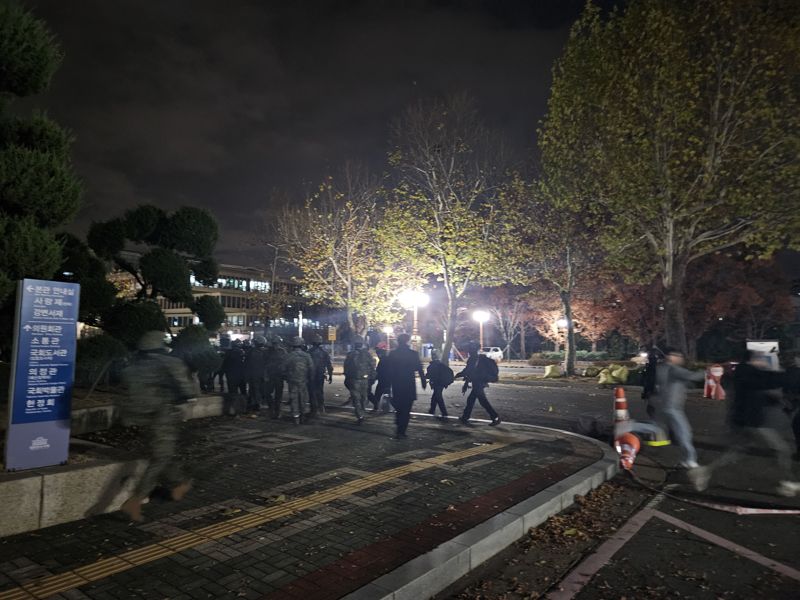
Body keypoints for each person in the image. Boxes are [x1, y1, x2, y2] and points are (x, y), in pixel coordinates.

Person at [691, 350, 798, 496]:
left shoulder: (747, 372)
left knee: (735, 452)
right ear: (753, 360)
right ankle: (788, 483)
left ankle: (704, 471)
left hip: (744, 421)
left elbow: (764, 384)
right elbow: (767, 381)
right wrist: (791, 373)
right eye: (760, 359)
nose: (763, 362)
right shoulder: (747, 373)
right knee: (781, 449)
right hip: (752, 422)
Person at [119, 331, 196, 521]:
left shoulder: (131, 366)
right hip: (162, 415)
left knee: (162, 452)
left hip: (137, 417)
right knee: (160, 457)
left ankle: (180, 483)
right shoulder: (169, 362)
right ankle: (135, 501)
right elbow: (188, 390)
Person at [652, 349, 704, 469]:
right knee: (685, 432)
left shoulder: (662, 368)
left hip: (664, 405)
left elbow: (680, 381)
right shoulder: (674, 369)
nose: (681, 359)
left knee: (660, 428)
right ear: (672, 357)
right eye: (679, 356)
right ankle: (690, 460)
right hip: (673, 407)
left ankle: (630, 427)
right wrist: (709, 371)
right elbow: (693, 376)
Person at [386, 333, 426, 438]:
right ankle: (401, 430)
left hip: (397, 384)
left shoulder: (393, 354)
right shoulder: (413, 354)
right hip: (409, 384)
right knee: (406, 409)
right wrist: (423, 380)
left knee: (399, 407)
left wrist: (387, 385)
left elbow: (389, 371)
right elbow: (419, 368)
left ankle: (399, 424)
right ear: (407, 341)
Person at [456, 342, 501, 426]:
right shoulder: (479, 358)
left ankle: (495, 417)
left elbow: (467, 371)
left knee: (482, 401)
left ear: (473, 349)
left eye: (470, 348)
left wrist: (458, 375)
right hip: (480, 381)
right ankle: (465, 417)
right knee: (471, 400)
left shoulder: (473, 359)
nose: (468, 350)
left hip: (478, 382)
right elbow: (469, 371)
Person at [343, 336, 376, 424]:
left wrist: (347, 378)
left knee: (356, 398)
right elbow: (372, 366)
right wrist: (372, 377)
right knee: (363, 397)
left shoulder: (350, 354)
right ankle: (362, 413)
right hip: (364, 380)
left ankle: (360, 415)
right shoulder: (367, 354)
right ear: (362, 344)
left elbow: (346, 367)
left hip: (354, 380)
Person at [283, 336, 315, 424]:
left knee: (294, 399)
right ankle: (302, 416)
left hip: (292, 381)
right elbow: (312, 368)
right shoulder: (306, 356)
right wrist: (311, 378)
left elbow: (283, 368)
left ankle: (295, 417)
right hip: (303, 381)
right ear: (302, 345)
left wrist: (286, 376)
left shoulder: (289, 356)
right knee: (303, 398)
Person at [426, 350, 454, 420]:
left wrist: (424, 377)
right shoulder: (441, 364)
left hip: (437, 384)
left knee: (438, 397)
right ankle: (432, 410)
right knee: (435, 396)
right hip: (441, 383)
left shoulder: (431, 366)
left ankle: (444, 413)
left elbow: (429, 375)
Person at [264, 333, 287, 419]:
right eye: (275, 343)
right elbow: (265, 364)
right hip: (271, 376)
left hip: (279, 376)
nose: (276, 345)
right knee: (268, 393)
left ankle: (277, 411)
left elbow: (286, 363)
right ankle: (272, 408)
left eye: (277, 343)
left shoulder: (283, 351)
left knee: (278, 395)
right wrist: (266, 375)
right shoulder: (267, 351)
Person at [372, 347, 392, 411]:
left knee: (377, 394)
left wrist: (374, 378)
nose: (378, 356)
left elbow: (378, 371)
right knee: (387, 394)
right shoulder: (388, 359)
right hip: (388, 381)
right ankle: (386, 407)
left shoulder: (382, 360)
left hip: (382, 381)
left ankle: (376, 406)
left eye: (378, 354)